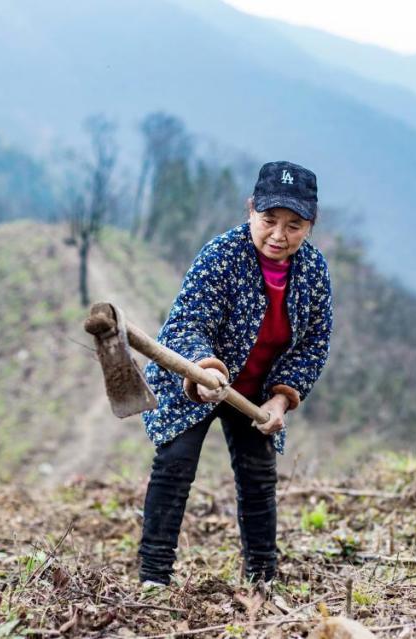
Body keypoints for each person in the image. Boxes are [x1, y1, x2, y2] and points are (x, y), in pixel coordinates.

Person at [137, 160, 333, 589]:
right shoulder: (222, 256)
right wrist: (205, 369)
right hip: (197, 381)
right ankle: (154, 578)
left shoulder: (314, 273)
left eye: (294, 225)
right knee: (174, 465)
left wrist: (280, 400)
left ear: (311, 226)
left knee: (258, 476)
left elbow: (313, 345)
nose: (279, 235)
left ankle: (262, 580)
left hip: (256, 392)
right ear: (251, 210)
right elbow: (188, 323)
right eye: (269, 220)